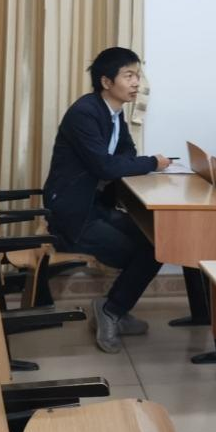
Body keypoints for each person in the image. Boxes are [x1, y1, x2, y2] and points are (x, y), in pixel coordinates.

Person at [43, 47, 171, 354]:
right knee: (149, 252)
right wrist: (152, 163)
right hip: (73, 213)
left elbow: (126, 153)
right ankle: (112, 311)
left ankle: (114, 308)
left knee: (159, 241)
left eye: (137, 75)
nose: (136, 82)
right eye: (128, 75)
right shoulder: (85, 113)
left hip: (96, 206)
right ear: (106, 81)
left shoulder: (114, 113)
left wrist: (128, 162)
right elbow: (105, 166)